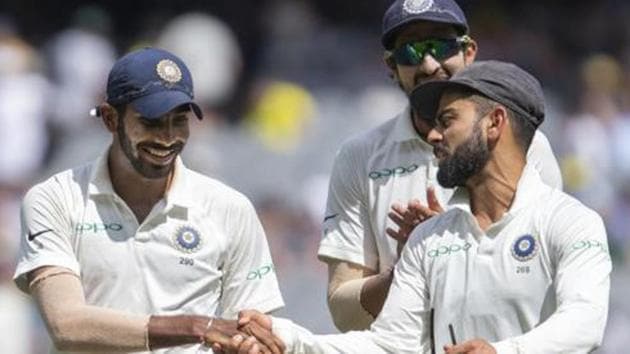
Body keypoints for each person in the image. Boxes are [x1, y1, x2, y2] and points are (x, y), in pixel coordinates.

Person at [236, 60, 611, 354]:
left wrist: (501, 351)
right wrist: (290, 339)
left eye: (448, 120)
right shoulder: (428, 239)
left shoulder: (572, 223)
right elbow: (389, 345)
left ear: (494, 123)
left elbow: (585, 321)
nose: (432, 134)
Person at [12, 47, 285, 354]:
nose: (168, 138)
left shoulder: (230, 208)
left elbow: (248, 327)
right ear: (110, 119)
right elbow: (66, 324)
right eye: (152, 122)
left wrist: (248, 344)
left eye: (179, 121)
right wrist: (197, 328)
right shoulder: (55, 198)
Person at [318, 0, 563, 332]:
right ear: (391, 66)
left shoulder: (526, 144)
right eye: (410, 51)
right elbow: (344, 314)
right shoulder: (359, 157)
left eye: (441, 45)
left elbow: (548, 280)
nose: (430, 64)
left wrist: (449, 249)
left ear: (470, 52)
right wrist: (407, 268)